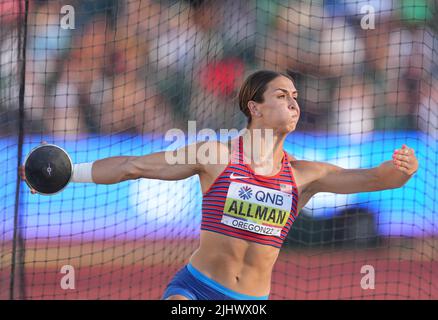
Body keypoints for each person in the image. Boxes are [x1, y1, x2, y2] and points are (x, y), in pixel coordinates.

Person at [19, 70, 419, 300]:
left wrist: (400, 171)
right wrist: (69, 172)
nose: (294, 102)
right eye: (282, 95)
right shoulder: (215, 155)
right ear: (255, 107)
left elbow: (374, 178)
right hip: (193, 290)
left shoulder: (304, 175)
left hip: (249, 303)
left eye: (295, 95)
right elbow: (131, 166)